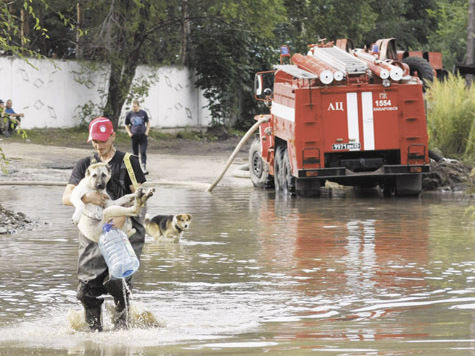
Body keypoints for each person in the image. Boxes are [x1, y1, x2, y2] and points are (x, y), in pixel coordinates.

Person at [62, 116, 147, 331]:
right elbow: (66, 197)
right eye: (95, 141)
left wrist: (122, 217)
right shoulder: (84, 165)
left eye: (103, 140)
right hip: (92, 234)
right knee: (87, 290)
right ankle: (94, 334)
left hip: (124, 231)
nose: (99, 145)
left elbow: (141, 196)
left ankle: (121, 333)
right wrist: (86, 198)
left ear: (113, 136)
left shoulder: (129, 161)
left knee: (120, 283)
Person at [124, 100, 150, 174]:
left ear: (138, 106)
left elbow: (148, 123)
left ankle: (144, 167)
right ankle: (136, 169)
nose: (133, 108)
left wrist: (147, 132)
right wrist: (129, 133)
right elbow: (126, 124)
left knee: (143, 152)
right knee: (135, 153)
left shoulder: (143, 113)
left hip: (143, 136)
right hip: (134, 136)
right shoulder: (129, 114)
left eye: (135, 106)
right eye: (132, 106)